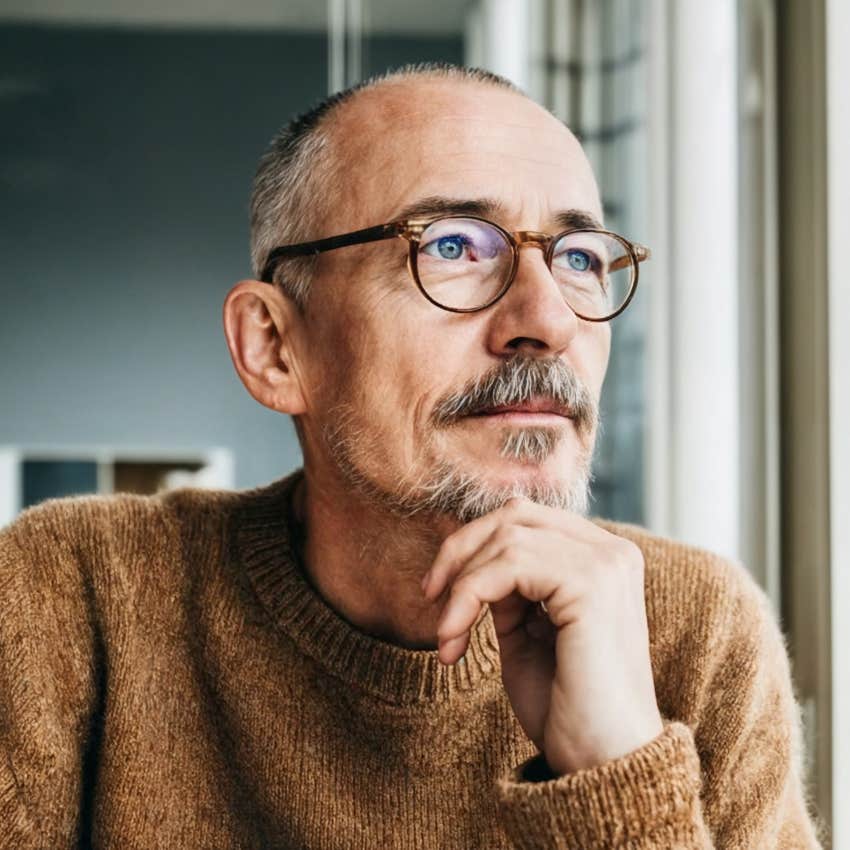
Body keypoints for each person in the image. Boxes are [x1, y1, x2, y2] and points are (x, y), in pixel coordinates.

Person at [0, 63, 823, 849]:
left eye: (578, 259)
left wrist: (618, 776)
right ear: (276, 348)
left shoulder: (697, 631)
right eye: (456, 247)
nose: (548, 320)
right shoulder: (72, 592)